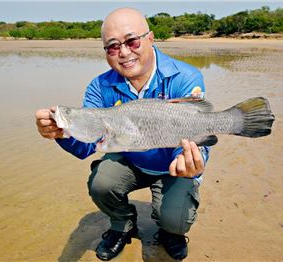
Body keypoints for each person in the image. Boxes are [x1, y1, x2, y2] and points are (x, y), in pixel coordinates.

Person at [36, 7, 210, 261]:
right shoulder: (99, 87)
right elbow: (87, 146)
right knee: (101, 182)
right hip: (130, 160)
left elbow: (194, 129)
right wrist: (62, 133)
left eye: (132, 41)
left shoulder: (185, 77)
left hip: (172, 166)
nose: (124, 52)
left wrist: (189, 160)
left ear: (150, 38)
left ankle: (170, 232)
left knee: (175, 217)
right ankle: (123, 225)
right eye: (113, 46)